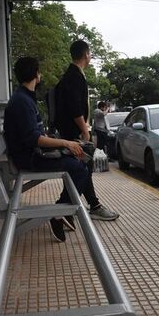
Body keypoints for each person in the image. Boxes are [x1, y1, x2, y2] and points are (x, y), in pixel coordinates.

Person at [4, 57, 87, 242]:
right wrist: (65, 143)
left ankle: (61, 211)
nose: (40, 74)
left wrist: (63, 143)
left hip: (31, 154)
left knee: (78, 159)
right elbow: (34, 138)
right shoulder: (22, 102)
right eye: (39, 71)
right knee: (80, 168)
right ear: (35, 75)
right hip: (29, 158)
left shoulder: (24, 97)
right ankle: (59, 212)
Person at [55, 40, 119, 221]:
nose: (90, 56)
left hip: (70, 131)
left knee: (83, 167)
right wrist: (85, 131)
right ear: (86, 55)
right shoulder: (74, 76)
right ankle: (67, 208)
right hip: (74, 133)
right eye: (90, 54)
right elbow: (75, 108)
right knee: (84, 167)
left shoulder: (72, 75)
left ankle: (77, 207)